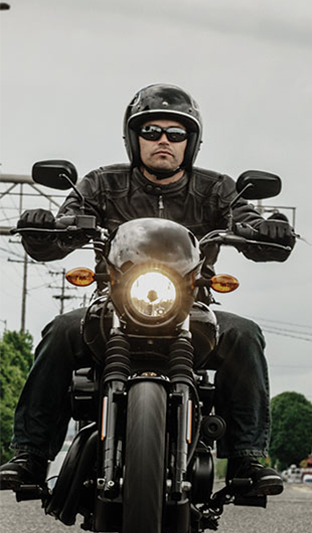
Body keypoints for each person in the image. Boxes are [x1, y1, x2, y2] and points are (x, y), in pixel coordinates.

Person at [0, 83, 297, 498]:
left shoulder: (217, 189)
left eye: (176, 134)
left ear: (190, 143)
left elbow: (247, 222)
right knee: (60, 331)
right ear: (133, 137)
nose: (163, 141)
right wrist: (44, 225)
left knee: (245, 334)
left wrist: (270, 227)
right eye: (151, 131)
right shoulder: (101, 184)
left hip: (193, 310)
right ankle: (31, 455)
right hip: (111, 309)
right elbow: (61, 232)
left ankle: (247, 457)